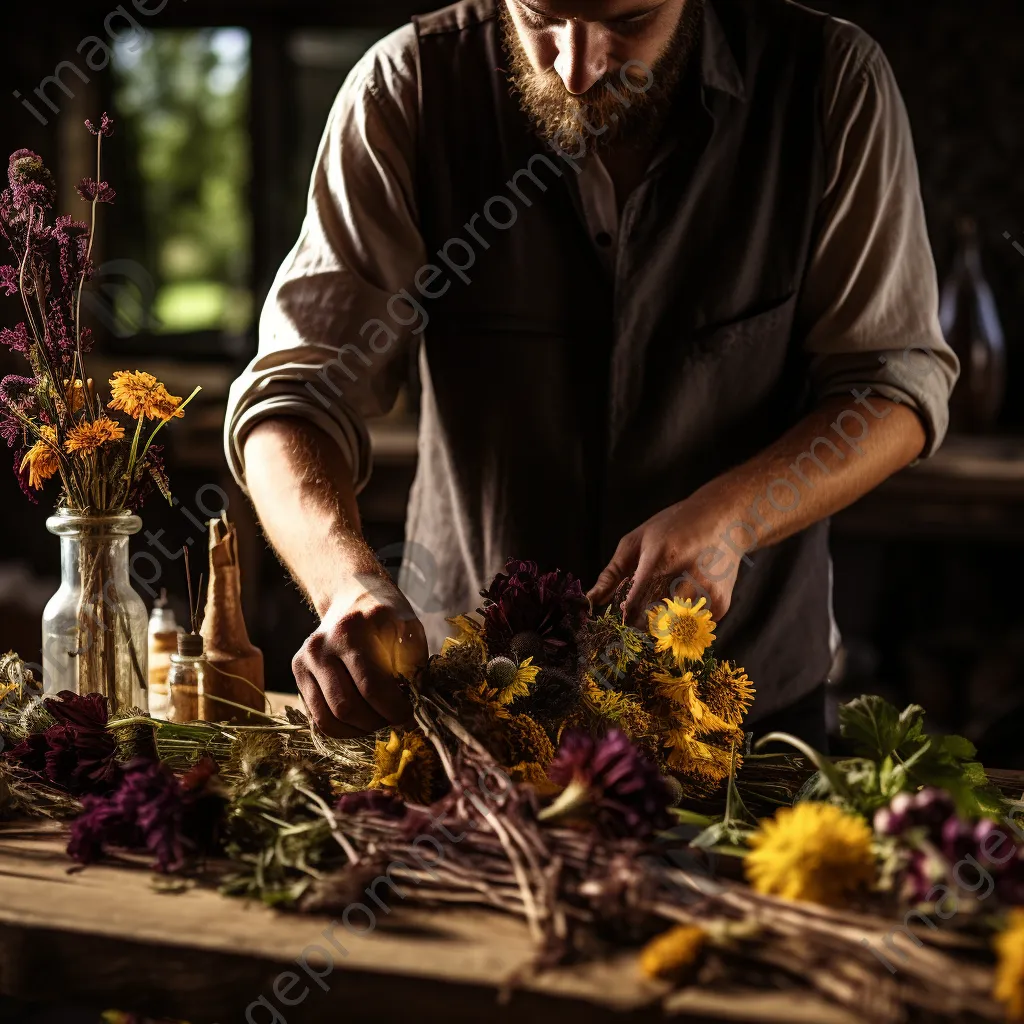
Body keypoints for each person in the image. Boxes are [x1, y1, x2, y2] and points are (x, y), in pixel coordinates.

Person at [225, 0, 957, 747]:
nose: (576, 69)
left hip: (743, 723)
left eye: (629, 20)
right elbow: (295, 394)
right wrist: (344, 582)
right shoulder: (404, 88)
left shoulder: (832, 83)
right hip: (470, 715)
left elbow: (892, 388)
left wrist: (737, 515)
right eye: (539, 19)